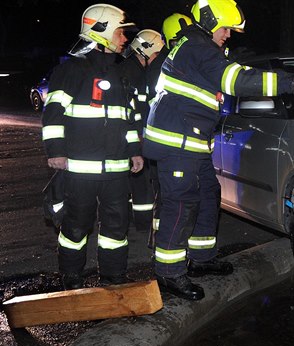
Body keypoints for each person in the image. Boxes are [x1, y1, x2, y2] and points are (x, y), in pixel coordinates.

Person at [142, 0, 294, 301]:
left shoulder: (199, 46)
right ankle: (169, 274)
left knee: (209, 193)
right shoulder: (198, 47)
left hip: (190, 140)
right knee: (180, 204)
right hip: (177, 142)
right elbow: (235, 81)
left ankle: (201, 258)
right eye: (226, 28)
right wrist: (292, 82)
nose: (229, 34)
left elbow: (229, 71)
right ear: (211, 21)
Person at [41, 3, 143, 290]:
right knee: (76, 225)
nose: (125, 39)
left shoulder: (122, 73)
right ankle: (71, 277)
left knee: (116, 226)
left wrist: (134, 151)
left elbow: (130, 118)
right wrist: (56, 151)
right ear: (102, 30)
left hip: (116, 170)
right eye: (120, 33)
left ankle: (114, 277)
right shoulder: (72, 69)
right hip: (80, 169)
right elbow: (53, 114)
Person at [145, 13, 193, 250]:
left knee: (166, 196)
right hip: (168, 142)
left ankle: (160, 241)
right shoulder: (169, 65)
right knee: (166, 197)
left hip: (163, 140)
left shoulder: (165, 62)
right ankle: (160, 244)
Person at [119, 29, 165, 232]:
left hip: (130, 134)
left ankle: (133, 218)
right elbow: (135, 110)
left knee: (133, 180)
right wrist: (139, 137)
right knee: (141, 182)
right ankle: (143, 222)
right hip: (133, 134)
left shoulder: (132, 69)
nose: (157, 59)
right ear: (145, 52)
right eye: (155, 54)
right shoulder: (133, 73)